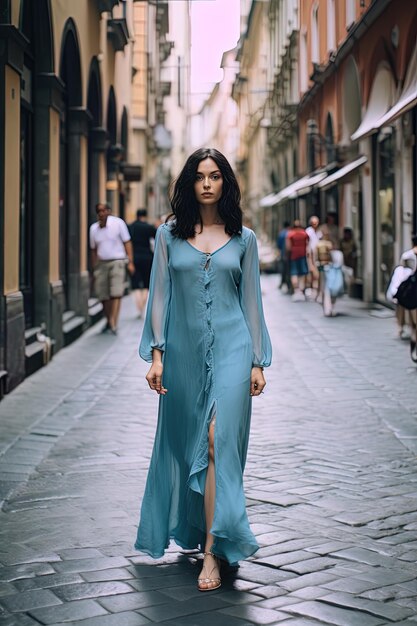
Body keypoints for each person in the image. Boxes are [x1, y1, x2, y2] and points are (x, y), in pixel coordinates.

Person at [135, 148, 272, 592]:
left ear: (225, 182)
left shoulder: (244, 238)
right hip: (184, 353)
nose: (207, 183)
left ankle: (211, 553)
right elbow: (159, 297)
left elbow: (252, 301)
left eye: (215, 176)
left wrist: (257, 360)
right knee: (189, 444)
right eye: (199, 176)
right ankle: (202, 529)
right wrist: (157, 355)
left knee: (216, 442)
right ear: (190, 184)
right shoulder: (168, 236)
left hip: (234, 349)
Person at [89, 203, 135, 335]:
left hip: (117, 262)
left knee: (116, 293)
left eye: (104, 210)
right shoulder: (93, 229)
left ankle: (113, 323)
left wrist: (130, 262)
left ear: (109, 211)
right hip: (101, 264)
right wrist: (94, 268)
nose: (102, 213)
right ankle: (109, 320)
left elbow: (127, 242)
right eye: (99, 211)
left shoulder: (118, 223)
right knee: (103, 294)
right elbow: (93, 250)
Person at [129, 209, 157, 318]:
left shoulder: (131, 227)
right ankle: (142, 307)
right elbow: (157, 239)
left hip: (134, 257)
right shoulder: (149, 227)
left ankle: (139, 308)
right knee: (146, 283)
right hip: (147, 257)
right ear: (145, 215)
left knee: (135, 283)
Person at [399, 235, 417, 361]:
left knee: (414, 323)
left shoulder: (407, 255)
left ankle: (413, 346)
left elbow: (402, 272)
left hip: (412, 291)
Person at [286, 219, 309, 301]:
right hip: (302, 254)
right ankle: (301, 291)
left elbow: (288, 246)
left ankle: (296, 290)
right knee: (302, 273)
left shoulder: (290, 234)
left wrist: (288, 255)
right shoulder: (304, 233)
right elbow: (307, 244)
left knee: (294, 273)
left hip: (294, 255)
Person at [305, 215, 322, 295]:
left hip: (318, 254)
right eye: (313, 223)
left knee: (317, 272)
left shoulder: (319, 232)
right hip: (310, 254)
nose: (315, 224)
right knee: (311, 270)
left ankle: (316, 288)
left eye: (316, 223)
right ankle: (311, 287)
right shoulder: (308, 231)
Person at [276, 221, 291, 291]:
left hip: (283, 254)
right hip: (290, 255)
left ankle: (282, 283)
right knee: (289, 270)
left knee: (283, 269)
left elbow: (278, 246)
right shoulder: (290, 233)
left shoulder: (281, 234)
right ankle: (288, 284)